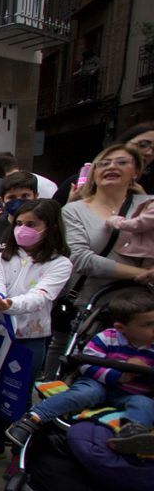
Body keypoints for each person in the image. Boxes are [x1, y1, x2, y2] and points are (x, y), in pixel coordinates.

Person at [0, 199, 72, 467]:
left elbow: (42, 296)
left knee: (21, 392)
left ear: (49, 227)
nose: (23, 229)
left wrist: (10, 306)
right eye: (19, 223)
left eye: (31, 224)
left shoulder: (60, 263)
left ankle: (19, 450)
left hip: (31, 337)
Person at [6, 291, 154, 452]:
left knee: (145, 404)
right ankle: (33, 418)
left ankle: (131, 434)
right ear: (121, 328)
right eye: (147, 325)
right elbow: (85, 364)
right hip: (98, 385)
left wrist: (145, 371)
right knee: (85, 393)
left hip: (133, 394)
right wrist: (118, 376)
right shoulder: (107, 338)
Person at [50, 144, 152, 377]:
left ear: (136, 171)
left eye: (121, 162)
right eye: (103, 163)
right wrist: (137, 274)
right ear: (93, 173)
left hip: (142, 309)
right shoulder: (74, 211)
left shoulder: (149, 206)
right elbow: (82, 259)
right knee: (75, 370)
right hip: (88, 307)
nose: (111, 167)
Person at [0, 172, 40, 272]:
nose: (19, 201)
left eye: (25, 196)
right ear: (2, 201)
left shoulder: (42, 229)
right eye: (11, 197)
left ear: (35, 197)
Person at [107, 196, 154, 267]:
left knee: (145, 273)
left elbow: (138, 224)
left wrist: (115, 221)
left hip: (147, 254)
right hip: (145, 252)